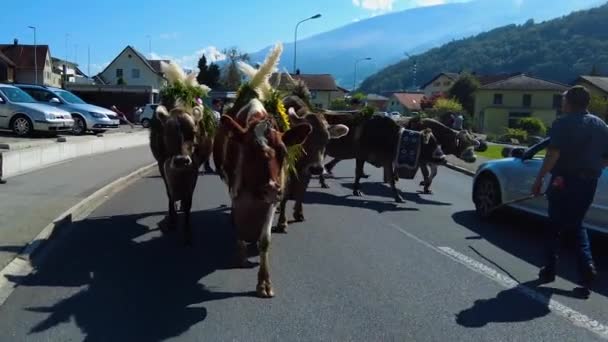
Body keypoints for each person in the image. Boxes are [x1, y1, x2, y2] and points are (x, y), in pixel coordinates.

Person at [532, 85, 608, 291]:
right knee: (576, 223)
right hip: (589, 182)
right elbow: (606, 158)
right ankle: (586, 268)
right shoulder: (601, 125)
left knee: (554, 224)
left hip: (564, 180)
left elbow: (552, 155)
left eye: (563, 100)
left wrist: (539, 179)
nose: (562, 103)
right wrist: (593, 169)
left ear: (569, 103)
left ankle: (549, 268)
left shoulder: (563, 123)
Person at [202, 98, 223, 174]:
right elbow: (217, 124)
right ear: (215, 105)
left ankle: (209, 166)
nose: (220, 106)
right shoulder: (214, 113)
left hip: (214, 133)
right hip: (212, 133)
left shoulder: (216, 113)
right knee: (211, 150)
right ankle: (208, 166)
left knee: (211, 151)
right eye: (219, 104)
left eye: (220, 104)